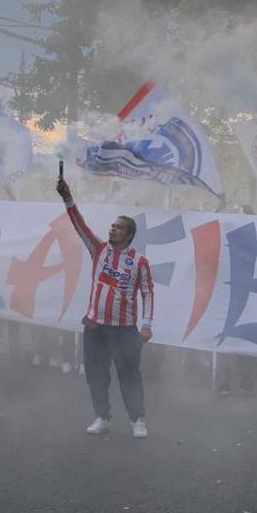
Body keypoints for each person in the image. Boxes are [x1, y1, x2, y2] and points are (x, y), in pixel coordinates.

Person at [56, 177, 155, 438]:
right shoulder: (98, 249)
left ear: (129, 235)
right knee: (95, 374)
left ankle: (137, 419)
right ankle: (102, 416)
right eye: (112, 226)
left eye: (119, 228)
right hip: (94, 326)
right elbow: (79, 224)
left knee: (129, 374)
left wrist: (146, 325)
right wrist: (67, 197)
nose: (112, 230)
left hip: (124, 329)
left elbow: (147, 293)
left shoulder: (139, 262)